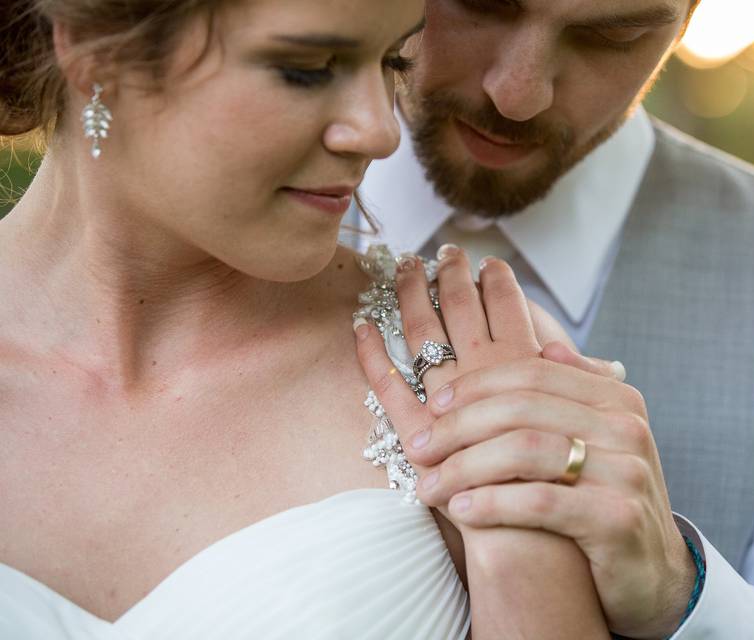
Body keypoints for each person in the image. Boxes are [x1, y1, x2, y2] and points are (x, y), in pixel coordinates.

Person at [0, 1, 621, 638]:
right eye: (309, 68)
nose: (382, 132)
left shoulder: (468, 354)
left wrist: (528, 557)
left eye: (392, 61)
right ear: (90, 47)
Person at [355, 0, 754, 637]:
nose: (518, 94)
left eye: (612, 34)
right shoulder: (237, 241)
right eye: (480, 5)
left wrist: (680, 593)